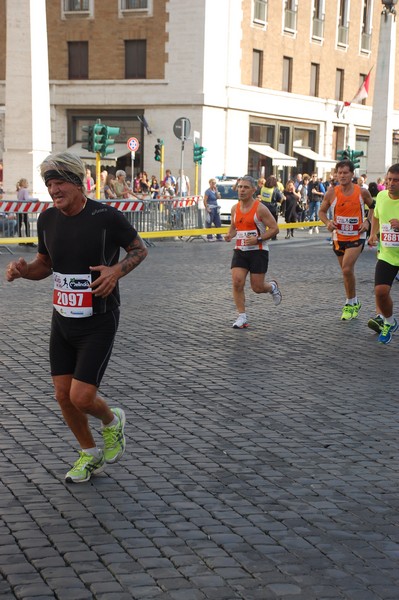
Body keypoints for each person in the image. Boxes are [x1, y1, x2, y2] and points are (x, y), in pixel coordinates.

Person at [5, 151, 148, 483]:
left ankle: (112, 422)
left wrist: (115, 271)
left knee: (81, 397)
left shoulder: (105, 216)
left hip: (99, 319)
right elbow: (45, 264)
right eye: (49, 184)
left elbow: (140, 249)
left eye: (59, 184)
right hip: (63, 319)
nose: (54, 191)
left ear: (77, 183)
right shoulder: (47, 219)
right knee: (62, 395)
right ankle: (89, 453)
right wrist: (24, 271)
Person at [224, 175, 282, 329]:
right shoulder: (234, 209)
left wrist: (258, 239)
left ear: (253, 190)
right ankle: (242, 316)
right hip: (240, 250)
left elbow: (275, 228)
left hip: (258, 251)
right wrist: (230, 234)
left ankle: (272, 287)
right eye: (240, 187)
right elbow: (234, 227)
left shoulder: (260, 209)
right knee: (237, 282)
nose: (241, 190)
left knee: (257, 288)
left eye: (245, 187)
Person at [319, 159, 374, 321]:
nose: (342, 176)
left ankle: (349, 303)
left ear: (352, 174)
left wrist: (367, 221)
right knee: (346, 272)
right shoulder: (331, 193)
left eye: (345, 173)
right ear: (336, 174)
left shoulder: (362, 192)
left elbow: (373, 207)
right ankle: (354, 301)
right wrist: (328, 222)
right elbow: (321, 212)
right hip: (338, 237)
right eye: (340, 173)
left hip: (357, 236)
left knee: (347, 269)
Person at [368, 163, 399, 344]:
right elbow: (376, 216)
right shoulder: (380, 196)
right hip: (387, 253)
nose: (391, 183)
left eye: (395, 180)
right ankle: (389, 321)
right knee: (380, 291)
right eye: (389, 179)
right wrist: (373, 233)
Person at [259, 175, 284, 240]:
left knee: (262, 223)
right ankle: (273, 236)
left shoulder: (263, 188)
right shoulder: (275, 190)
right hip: (272, 208)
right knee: (273, 223)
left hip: (263, 207)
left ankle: (262, 235)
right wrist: (280, 203)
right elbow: (281, 198)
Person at [16, 178, 36, 246]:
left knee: (20, 225)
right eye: (27, 183)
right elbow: (27, 198)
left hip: (19, 210)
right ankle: (28, 241)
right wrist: (35, 199)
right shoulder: (24, 190)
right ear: (24, 183)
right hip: (23, 210)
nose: (28, 184)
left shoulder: (19, 190)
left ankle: (20, 241)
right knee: (27, 225)